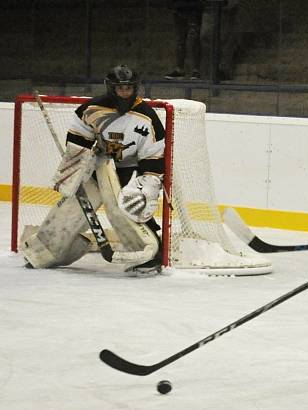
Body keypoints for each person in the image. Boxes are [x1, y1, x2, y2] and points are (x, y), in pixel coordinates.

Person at [20, 65, 165, 275]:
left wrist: (149, 181)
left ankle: (150, 255)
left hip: (131, 168)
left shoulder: (148, 117)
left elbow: (154, 155)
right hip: (100, 164)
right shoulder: (91, 109)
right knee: (74, 205)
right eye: (120, 88)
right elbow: (79, 140)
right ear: (111, 88)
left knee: (131, 203)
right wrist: (78, 163)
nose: (125, 92)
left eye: (129, 88)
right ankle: (45, 250)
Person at [201, 0, 240, 81]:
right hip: (209, 9)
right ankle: (211, 69)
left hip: (225, 10)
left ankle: (224, 70)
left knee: (225, 39)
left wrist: (230, 5)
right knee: (206, 37)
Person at [166, 0, 203, 80]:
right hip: (180, 8)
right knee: (180, 40)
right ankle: (180, 69)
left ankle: (196, 70)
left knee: (193, 39)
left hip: (194, 9)